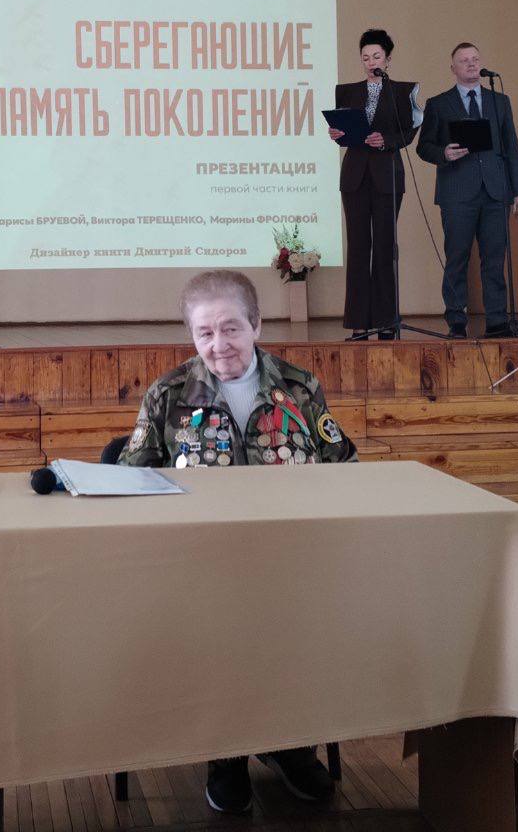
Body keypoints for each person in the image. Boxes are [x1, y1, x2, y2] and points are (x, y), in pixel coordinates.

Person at [117, 269, 355, 814]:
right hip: (203, 565)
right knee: (216, 630)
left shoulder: (299, 386)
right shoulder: (169, 394)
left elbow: (344, 465)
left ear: (256, 325)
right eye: (205, 332)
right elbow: (132, 478)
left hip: (292, 560)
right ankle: (225, 755)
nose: (219, 344)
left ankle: (290, 746)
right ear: (192, 335)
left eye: (231, 328)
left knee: (298, 630)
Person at [415, 42, 518, 338]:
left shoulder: (499, 101)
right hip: (457, 192)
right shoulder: (439, 104)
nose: (471, 64)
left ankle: (497, 320)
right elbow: (423, 146)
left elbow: (512, 147)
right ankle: (456, 320)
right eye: (464, 60)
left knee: (494, 258)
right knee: (457, 258)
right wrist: (444, 153)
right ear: (453, 68)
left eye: (475, 59)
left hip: (495, 191)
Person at [330, 29, 421, 340]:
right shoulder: (347, 91)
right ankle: (359, 322)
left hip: (387, 176)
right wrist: (338, 134)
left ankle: (386, 322)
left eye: (376, 56)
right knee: (358, 247)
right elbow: (344, 131)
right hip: (354, 176)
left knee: (384, 247)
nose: (371, 62)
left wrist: (386, 140)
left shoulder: (401, 91)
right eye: (365, 57)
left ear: (388, 59)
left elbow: (408, 132)